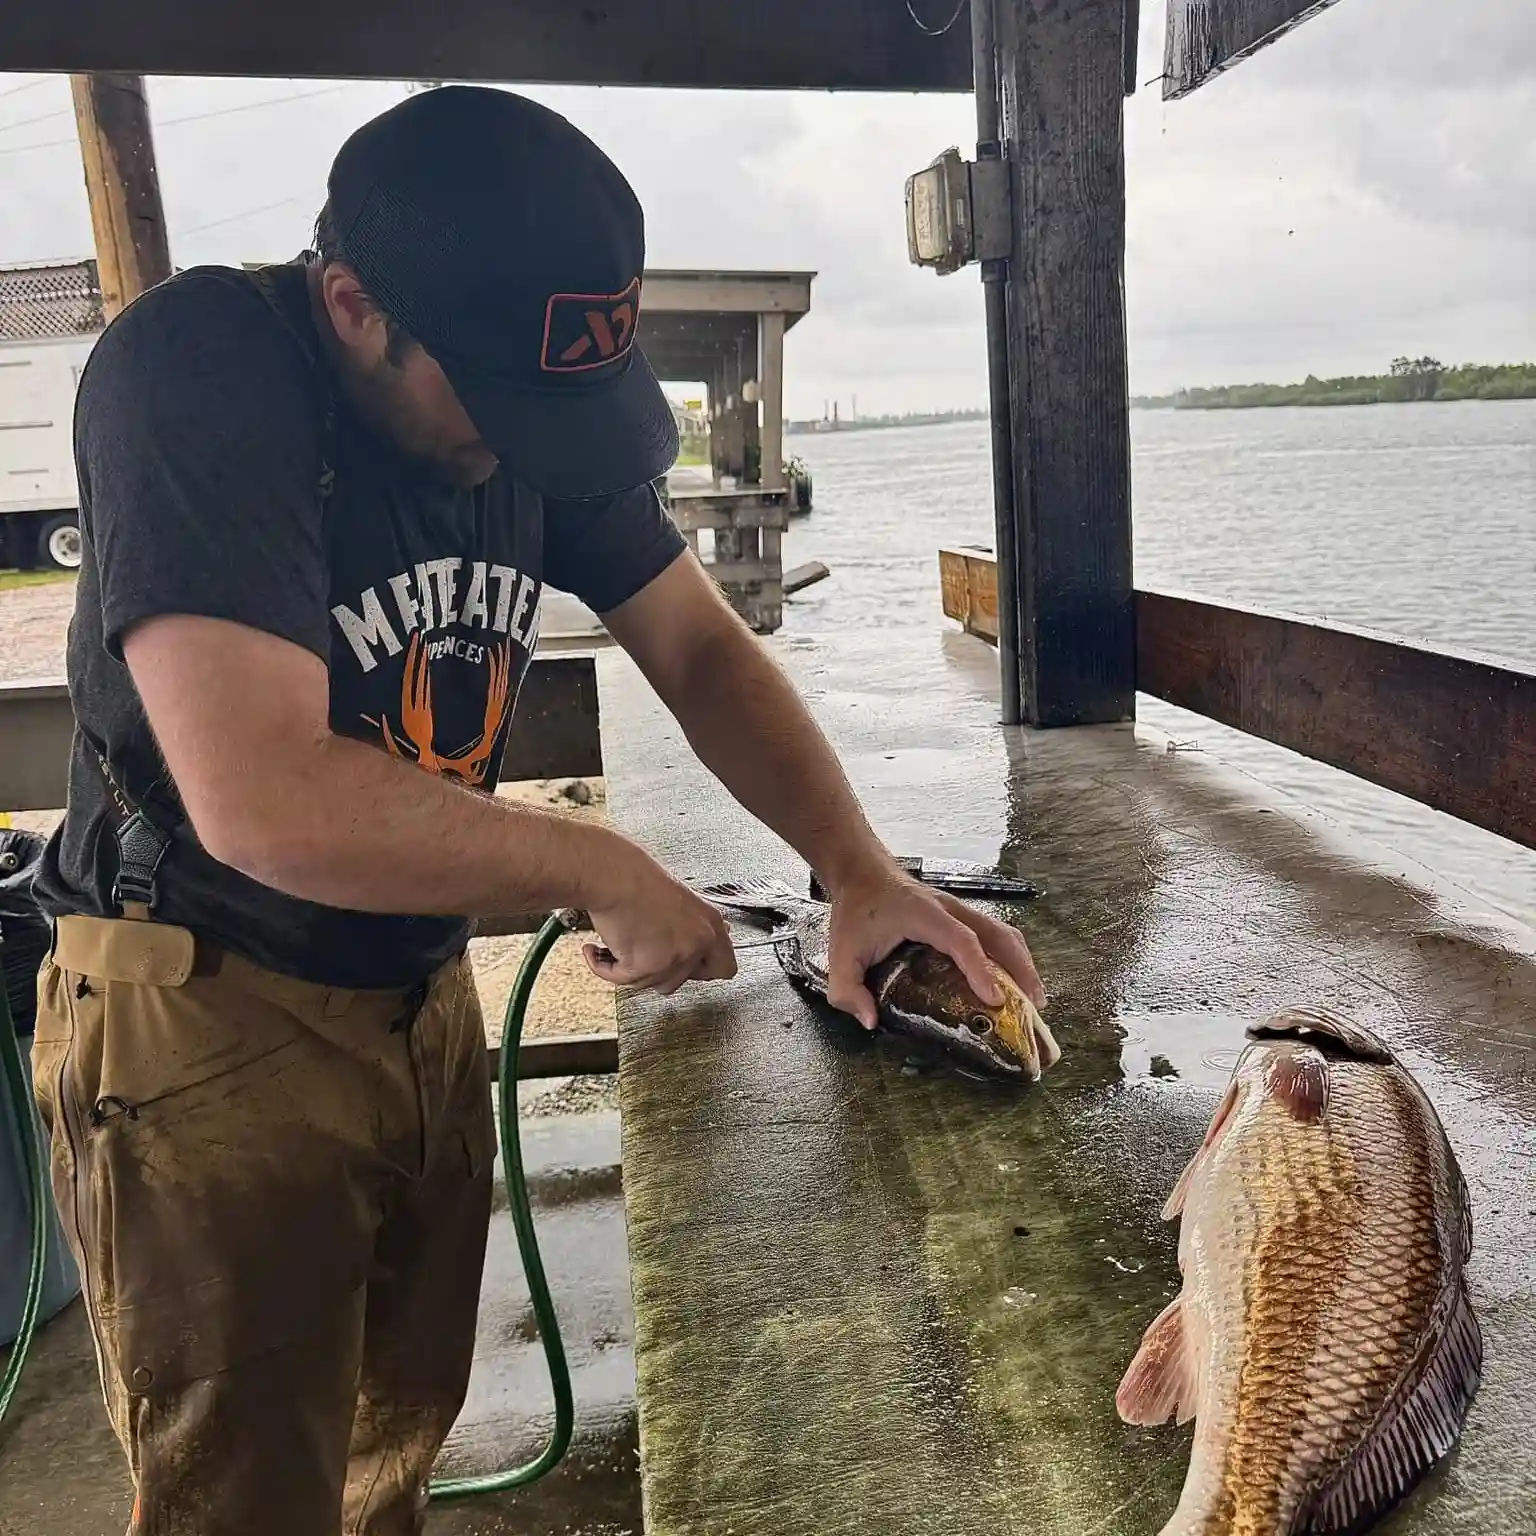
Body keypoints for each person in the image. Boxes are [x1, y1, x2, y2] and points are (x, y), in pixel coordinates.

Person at [28, 86, 1045, 1535]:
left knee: (396, 1442)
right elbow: (257, 793)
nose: (525, 449)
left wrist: (857, 869)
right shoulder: (195, 373)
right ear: (352, 304)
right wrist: (596, 864)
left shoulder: (517, 424)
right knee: (238, 1499)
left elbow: (696, 646)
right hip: (205, 1017)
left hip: (415, 990)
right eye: (504, 402)